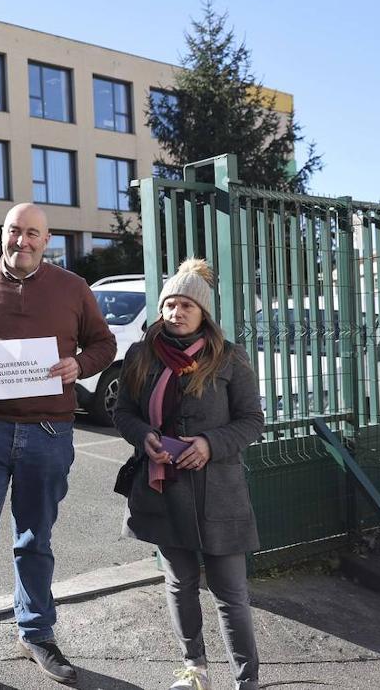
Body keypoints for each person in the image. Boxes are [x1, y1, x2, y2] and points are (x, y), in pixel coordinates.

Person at [0, 203, 117, 689]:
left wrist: (81, 365)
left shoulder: (72, 288)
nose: (23, 241)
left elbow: (104, 344)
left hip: (49, 433)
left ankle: (35, 633)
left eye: (33, 233)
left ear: (46, 238)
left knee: (35, 540)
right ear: (3, 234)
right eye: (16, 231)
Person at [112, 258, 264, 690]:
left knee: (230, 592)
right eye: (169, 305)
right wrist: (143, 436)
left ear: (203, 313)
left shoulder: (230, 357)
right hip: (164, 489)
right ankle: (194, 669)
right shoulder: (142, 355)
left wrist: (209, 444)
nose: (175, 313)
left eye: (185, 306)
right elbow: (122, 412)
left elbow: (252, 420)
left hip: (220, 492)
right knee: (180, 583)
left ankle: (247, 678)